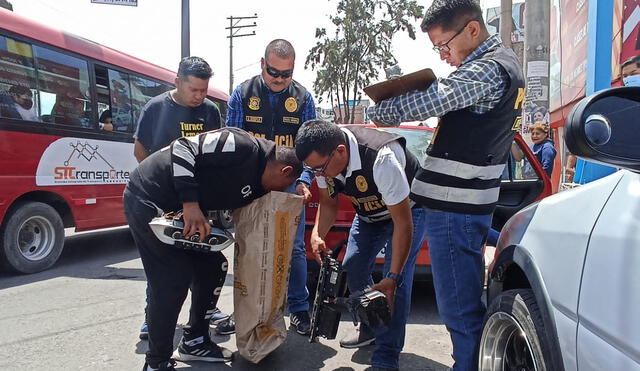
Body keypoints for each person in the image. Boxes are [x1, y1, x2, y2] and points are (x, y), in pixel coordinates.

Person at [366, 1, 525, 369]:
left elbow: (428, 101)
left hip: (455, 209)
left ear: (472, 30)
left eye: (444, 46)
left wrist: (376, 110)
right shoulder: (501, 64)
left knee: (460, 312)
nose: (443, 56)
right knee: (460, 304)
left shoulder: (485, 70)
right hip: (462, 205)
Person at [125, 127, 303, 371]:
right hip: (150, 198)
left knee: (214, 267)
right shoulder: (243, 146)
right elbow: (182, 147)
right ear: (284, 171)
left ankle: (195, 341)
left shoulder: (262, 184)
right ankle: (156, 363)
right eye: (287, 184)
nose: (282, 191)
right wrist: (190, 203)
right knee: (171, 280)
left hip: (182, 216)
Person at [296, 120, 426, 371]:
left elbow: (403, 224)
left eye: (320, 169)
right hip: (368, 215)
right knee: (353, 265)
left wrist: (392, 277)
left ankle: (387, 355)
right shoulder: (323, 162)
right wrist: (317, 234)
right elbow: (329, 202)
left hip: (407, 213)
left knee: (395, 284)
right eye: (313, 171)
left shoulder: (381, 159)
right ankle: (370, 326)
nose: (319, 176)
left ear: (341, 152)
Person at [224, 39, 316, 336]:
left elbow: (310, 146)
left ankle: (299, 309)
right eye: (273, 71)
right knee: (248, 247)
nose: (278, 79)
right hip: (251, 185)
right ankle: (246, 310)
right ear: (262, 64)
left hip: (289, 185)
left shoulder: (304, 98)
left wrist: (303, 182)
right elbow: (233, 139)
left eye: (285, 74)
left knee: (295, 249)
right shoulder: (242, 93)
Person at [132, 56, 227, 340]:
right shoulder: (156, 108)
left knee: (202, 256)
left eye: (203, 90)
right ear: (177, 82)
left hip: (197, 201)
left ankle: (204, 312)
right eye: (193, 90)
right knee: (162, 261)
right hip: (163, 201)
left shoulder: (210, 111)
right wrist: (160, 184)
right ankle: (154, 316)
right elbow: (140, 151)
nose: (199, 96)